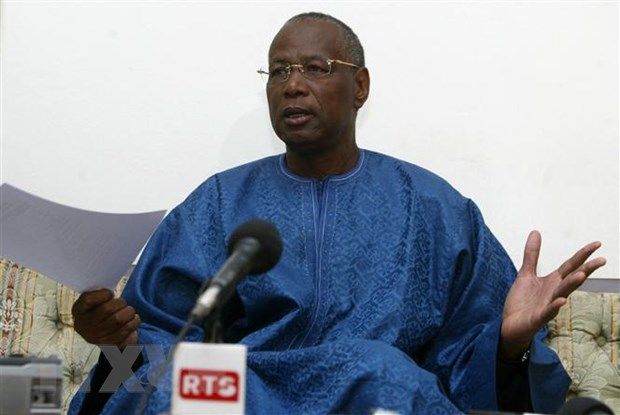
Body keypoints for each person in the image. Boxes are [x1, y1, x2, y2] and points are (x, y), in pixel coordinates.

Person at [69, 12, 606, 415]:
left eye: (315, 68)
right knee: (175, 391)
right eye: (278, 71)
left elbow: (470, 355)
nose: (292, 84)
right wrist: (120, 339)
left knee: (382, 371)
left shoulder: (432, 206)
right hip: (247, 389)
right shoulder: (218, 202)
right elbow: (160, 341)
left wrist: (507, 342)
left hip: (371, 390)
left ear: (360, 87)